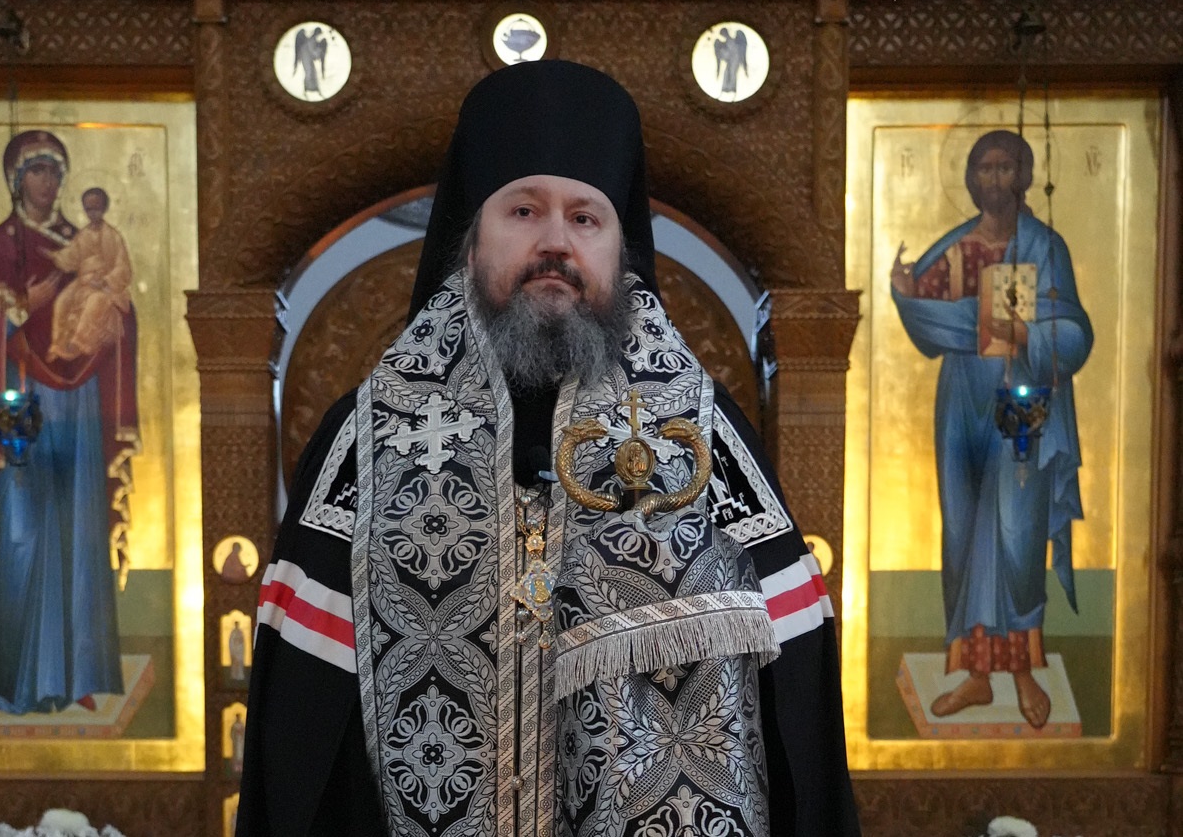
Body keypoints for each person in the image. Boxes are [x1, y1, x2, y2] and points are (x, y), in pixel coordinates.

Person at [237, 61, 859, 836]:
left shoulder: (698, 436)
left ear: (619, 252)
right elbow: (299, 728)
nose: (555, 242)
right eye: (524, 211)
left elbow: (796, 706)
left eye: (585, 218)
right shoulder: (368, 438)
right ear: (471, 242)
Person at [890, 129, 1092, 729]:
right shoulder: (956, 248)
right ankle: (977, 677)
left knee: (1018, 531)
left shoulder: (1044, 246)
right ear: (971, 178)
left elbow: (1074, 333)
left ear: (1024, 177)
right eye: (985, 168)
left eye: (1006, 168)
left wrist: (1025, 332)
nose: (995, 179)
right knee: (963, 529)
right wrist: (908, 296)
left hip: (1021, 396)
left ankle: (1023, 670)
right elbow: (925, 317)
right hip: (962, 400)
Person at [0, 130, 142, 719]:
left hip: (79, 402)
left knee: (78, 524)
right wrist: (22, 308)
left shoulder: (82, 243)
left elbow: (120, 308)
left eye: (55, 172)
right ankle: (10, 684)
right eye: (37, 171)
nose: (48, 182)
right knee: (20, 528)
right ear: (17, 179)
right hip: (19, 403)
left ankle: (79, 673)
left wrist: (112, 313)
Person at [46, 187, 133, 363]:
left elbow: (123, 267)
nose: (92, 213)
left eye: (96, 209)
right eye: (88, 209)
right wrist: (56, 256)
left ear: (104, 208)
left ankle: (78, 343)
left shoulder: (113, 236)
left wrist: (105, 281)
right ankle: (58, 343)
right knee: (62, 300)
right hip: (83, 283)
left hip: (106, 288)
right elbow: (72, 256)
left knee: (96, 302)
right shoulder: (83, 235)